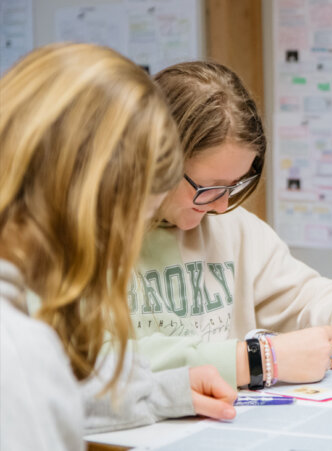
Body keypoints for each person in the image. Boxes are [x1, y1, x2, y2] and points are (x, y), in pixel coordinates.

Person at [0, 43, 236, 449]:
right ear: (94, 204)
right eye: (139, 220)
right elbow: (31, 380)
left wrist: (163, 392)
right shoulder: (18, 350)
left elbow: (62, 387)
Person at [127, 61, 332, 392]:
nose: (221, 206)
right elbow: (106, 364)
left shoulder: (234, 229)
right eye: (209, 188)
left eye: (233, 186)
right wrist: (260, 359)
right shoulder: (91, 238)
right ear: (158, 161)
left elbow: (305, 293)